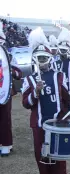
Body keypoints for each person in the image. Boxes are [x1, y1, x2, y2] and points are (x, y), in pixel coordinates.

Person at [21, 27, 70, 174]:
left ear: (49, 58)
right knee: (42, 159)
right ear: (35, 58)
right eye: (39, 58)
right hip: (39, 124)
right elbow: (26, 103)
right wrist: (36, 92)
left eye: (44, 58)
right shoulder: (29, 79)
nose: (42, 61)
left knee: (59, 161)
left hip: (58, 124)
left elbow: (68, 99)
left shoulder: (59, 76)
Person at [0, 21, 22, 156]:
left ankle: (7, 144)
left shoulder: (9, 56)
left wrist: (12, 73)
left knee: (5, 118)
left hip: (4, 91)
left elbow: (18, 73)